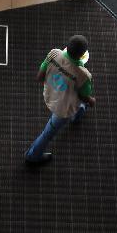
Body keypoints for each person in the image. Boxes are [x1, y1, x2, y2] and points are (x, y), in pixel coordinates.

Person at [25, 36, 95, 166]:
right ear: (82, 55)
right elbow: (84, 96)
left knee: (80, 107)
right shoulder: (84, 75)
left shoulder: (54, 53)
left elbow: (39, 77)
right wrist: (91, 101)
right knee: (47, 134)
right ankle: (32, 156)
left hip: (50, 95)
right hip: (62, 109)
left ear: (67, 47)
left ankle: (77, 116)